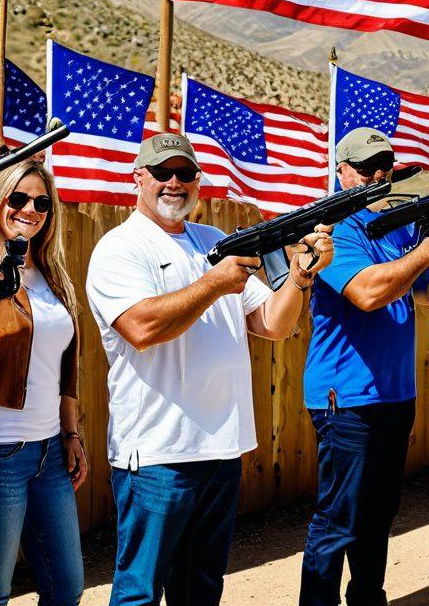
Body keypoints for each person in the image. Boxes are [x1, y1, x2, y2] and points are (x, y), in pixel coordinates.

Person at [85, 132, 334, 606]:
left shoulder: (215, 241)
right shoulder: (119, 248)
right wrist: (214, 283)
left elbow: (272, 324)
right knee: (139, 591)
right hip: (158, 452)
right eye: (162, 173)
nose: (174, 183)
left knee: (201, 587)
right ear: (138, 178)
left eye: (185, 173)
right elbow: (140, 327)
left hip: (221, 447)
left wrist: (302, 275)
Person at [299, 129, 429, 606]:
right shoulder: (331, 227)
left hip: (394, 394)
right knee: (339, 518)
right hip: (346, 396)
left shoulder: (395, 226)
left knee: (377, 514)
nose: (378, 174)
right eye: (366, 165)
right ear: (342, 171)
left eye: (385, 165)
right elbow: (368, 293)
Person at [0, 162, 86, 606]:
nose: (30, 209)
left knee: (66, 589)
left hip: (47, 454)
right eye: (18, 198)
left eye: (42, 202)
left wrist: (70, 433)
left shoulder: (51, 273)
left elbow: (64, 366)